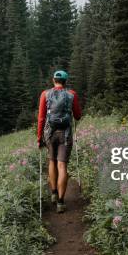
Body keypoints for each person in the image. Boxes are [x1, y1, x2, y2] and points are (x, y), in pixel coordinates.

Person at [37, 70, 82, 213]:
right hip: (66, 134)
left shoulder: (45, 94)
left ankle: (54, 192)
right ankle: (61, 203)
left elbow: (41, 118)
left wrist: (39, 138)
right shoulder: (72, 94)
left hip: (50, 134)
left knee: (52, 162)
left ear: (53, 80)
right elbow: (78, 116)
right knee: (62, 165)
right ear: (65, 81)